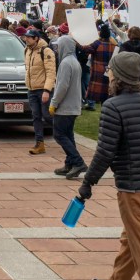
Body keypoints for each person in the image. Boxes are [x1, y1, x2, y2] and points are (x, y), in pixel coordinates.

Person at [78, 51, 140, 280]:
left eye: (110, 71)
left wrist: (88, 182)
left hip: (133, 190)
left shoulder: (113, 107)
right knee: (131, 244)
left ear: (117, 76)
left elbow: (105, 151)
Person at [49, 34, 87, 178]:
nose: (57, 49)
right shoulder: (73, 61)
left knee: (59, 135)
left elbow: (62, 87)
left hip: (65, 107)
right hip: (73, 106)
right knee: (68, 135)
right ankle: (70, 163)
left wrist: (54, 103)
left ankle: (78, 162)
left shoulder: (65, 63)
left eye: (59, 46)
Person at [22, 28, 56, 155]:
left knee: (47, 116)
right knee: (36, 117)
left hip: (42, 89)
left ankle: (63, 134)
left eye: (29, 37)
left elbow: (51, 72)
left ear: (36, 38)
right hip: (31, 89)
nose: (26, 39)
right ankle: (39, 143)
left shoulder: (46, 51)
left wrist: (47, 90)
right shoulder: (27, 50)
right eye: (26, 37)